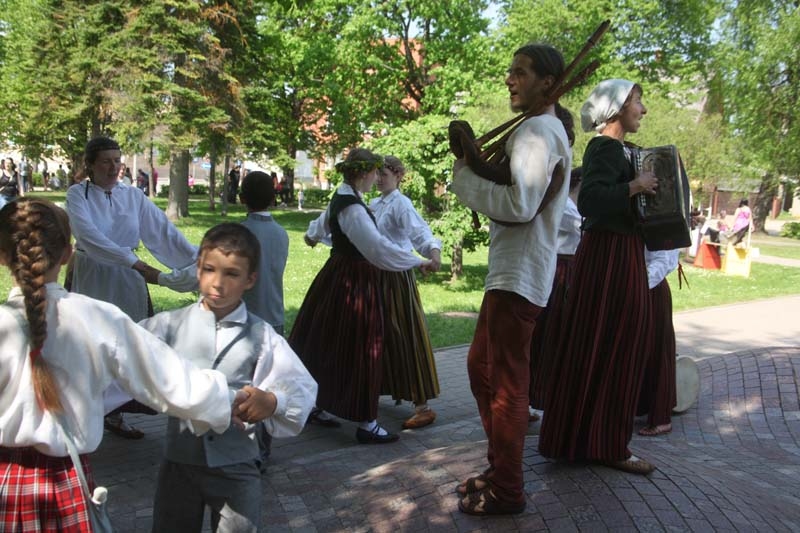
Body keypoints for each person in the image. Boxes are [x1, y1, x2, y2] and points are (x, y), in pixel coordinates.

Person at [0, 198, 243, 532]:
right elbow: (169, 380)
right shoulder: (97, 318)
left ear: (1, 257)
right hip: (64, 486)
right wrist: (235, 400)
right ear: (69, 253)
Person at [449, 43, 574, 515]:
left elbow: (520, 205)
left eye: (520, 72)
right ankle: (502, 470)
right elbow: (510, 182)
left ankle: (509, 490)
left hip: (519, 276)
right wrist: (476, 158)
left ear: (548, 83)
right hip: (514, 273)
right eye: (510, 71)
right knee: (484, 373)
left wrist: (463, 173)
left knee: (504, 387)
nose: (509, 79)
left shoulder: (540, 132)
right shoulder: (539, 129)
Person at [141, 222, 317, 532]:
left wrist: (275, 400)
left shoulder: (261, 335)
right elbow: (120, 352)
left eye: (232, 274)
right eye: (209, 270)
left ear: (250, 279)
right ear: (197, 269)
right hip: (179, 464)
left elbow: (301, 385)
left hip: (237, 466)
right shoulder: (167, 326)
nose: (217, 284)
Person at [538, 79, 659, 475]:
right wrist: (634, 186)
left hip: (619, 253)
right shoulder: (605, 146)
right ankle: (606, 445)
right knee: (617, 341)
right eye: (638, 102)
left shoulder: (623, 150)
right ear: (618, 107)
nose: (642, 110)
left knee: (610, 342)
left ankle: (590, 439)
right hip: (609, 256)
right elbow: (590, 201)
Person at [290, 148, 432, 445]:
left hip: (341, 277)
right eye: (374, 173)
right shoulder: (352, 205)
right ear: (363, 173)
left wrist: (311, 236)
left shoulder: (345, 197)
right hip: (355, 280)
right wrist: (418, 261)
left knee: (329, 342)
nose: (376, 179)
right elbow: (377, 248)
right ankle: (366, 423)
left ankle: (319, 404)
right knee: (366, 346)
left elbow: (323, 224)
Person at [66, 136, 199, 439]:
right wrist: (132, 261)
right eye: (106, 161)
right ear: (90, 165)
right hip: (94, 274)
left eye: (117, 160)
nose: (114, 167)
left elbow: (162, 233)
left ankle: (116, 412)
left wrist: (198, 258)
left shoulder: (133, 196)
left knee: (126, 342)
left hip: (126, 279)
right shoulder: (77, 195)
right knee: (89, 343)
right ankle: (82, 411)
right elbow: (88, 236)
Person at [239, 170, 290, 467]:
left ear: (242, 198)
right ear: (273, 197)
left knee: (243, 384)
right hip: (274, 315)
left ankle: (245, 447)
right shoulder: (281, 234)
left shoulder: (239, 233)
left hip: (245, 318)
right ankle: (264, 449)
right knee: (268, 383)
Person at [528, 167, 583, 417]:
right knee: (553, 331)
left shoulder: (572, 208)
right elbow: (583, 230)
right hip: (562, 271)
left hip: (568, 269)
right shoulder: (567, 208)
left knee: (557, 332)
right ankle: (542, 397)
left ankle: (544, 396)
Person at [636, 248, 680, 436]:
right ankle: (640, 405)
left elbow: (663, 261)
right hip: (636, 285)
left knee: (656, 350)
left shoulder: (663, 219)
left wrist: (637, 285)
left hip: (651, 290)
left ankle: (661, 416)